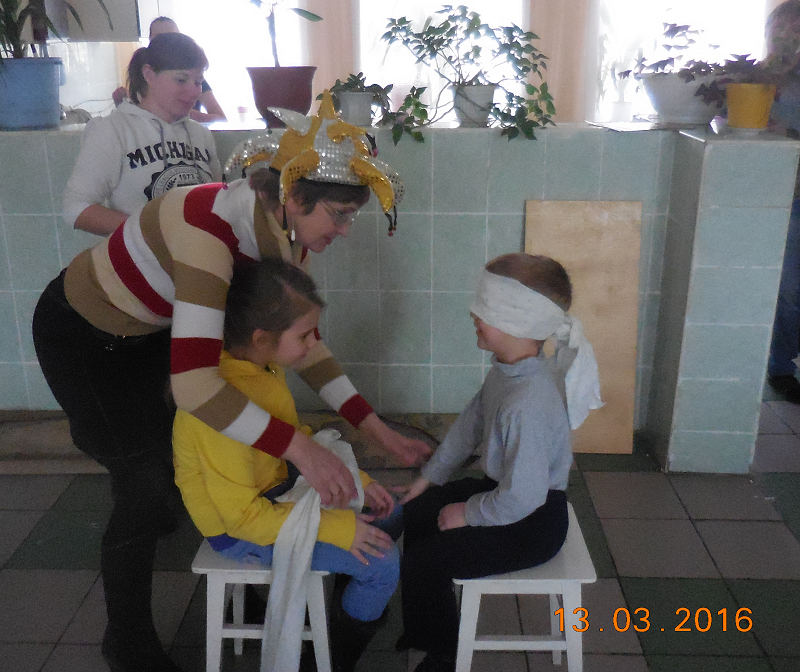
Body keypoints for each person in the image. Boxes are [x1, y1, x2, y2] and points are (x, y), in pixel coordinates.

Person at [32, 92, 429, 672]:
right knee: (144, 482)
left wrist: (376, 429)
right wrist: (301, 450)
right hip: (84, 334)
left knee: (188, 458)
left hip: (151, 330)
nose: (344, 230)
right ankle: (128, 639)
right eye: (339, 215)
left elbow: (307, 344)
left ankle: (253, 576)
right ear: (294, 197)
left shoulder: (284, 236)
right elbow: (194, 388)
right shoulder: (208, 231)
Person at [173, 257, 401, 672]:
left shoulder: (261, 367)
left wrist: (357, 480)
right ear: (261, 338)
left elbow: (294, 445)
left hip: (276, 494)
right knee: (384, 564)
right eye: (304, 335)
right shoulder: (219, 405)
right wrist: (340, 529)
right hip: (239, 530)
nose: (314, 343)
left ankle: (340, 602)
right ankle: (329, 658)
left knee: (390, 513)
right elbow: (244, 520)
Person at [396, 253, 602, 672]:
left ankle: (443, 654)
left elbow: (524, 497)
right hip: (506, 495)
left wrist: (468, 513)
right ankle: (428, 627)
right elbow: (471, 424)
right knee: (417, 512)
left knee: (426, 560)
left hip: (533, 522)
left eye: (484, 308)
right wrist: (429, 478)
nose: (473, 314)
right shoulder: (507, 372)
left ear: (517, 321)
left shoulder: (528, 402)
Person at [63, 31, 222, 236]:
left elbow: (218, 204)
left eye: (198, 82)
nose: (194, 92)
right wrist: (151, 234)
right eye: (181, 80)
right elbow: (76, 208)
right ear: (149, 74)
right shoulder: (113, 130)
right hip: (145, 255)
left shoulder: (200, 135)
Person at [765, 0, 800, 404]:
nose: (788, 38)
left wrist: (788, 131)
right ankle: (780, 367)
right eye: (781, 29)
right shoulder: (751, 78)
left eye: (796, 31)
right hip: (773, 197)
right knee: (789, 291)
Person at [112, 16, 227, 123]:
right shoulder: (139, 74)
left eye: (172, 36)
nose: (167, 43)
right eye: (159, 38)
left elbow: (220, 118)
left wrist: (183, 110)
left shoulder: (194, 78)